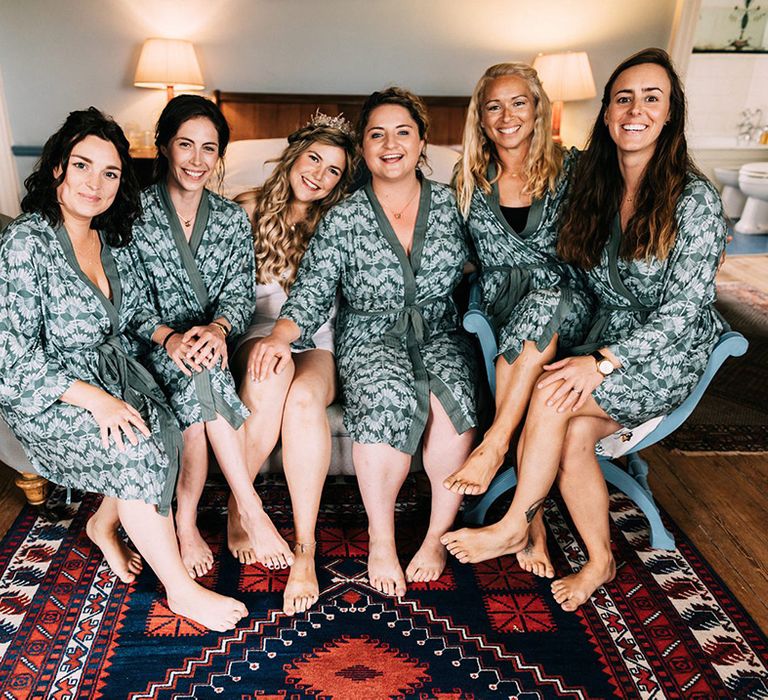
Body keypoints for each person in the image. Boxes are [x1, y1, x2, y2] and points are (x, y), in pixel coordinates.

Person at [442, 48, 727, 611]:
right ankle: (600, 559)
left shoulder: (694, 200)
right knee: (572, 433)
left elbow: (685, 310)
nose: (635, 110)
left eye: (651, 98)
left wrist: (601, 361)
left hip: (662, 354)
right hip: (600, 335)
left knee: (553, 393)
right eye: (623, 98)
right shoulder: (597, 186)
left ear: (670, 114)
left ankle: (514, 520)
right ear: (606, 113)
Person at [0, 108, 247, 631]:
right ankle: (181, 589)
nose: (95, 183)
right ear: (57, 169)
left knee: (175, 411)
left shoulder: (107, 235)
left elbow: (132, 313)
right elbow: (12, 359)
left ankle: (102, 524)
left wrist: (174, 339)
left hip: (115, 372)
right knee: (136, 450)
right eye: (83, 166)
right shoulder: (26, 242)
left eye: (110, 173)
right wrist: (99, 401)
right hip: (51, 394)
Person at [251, 88, 478, 597]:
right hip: (370, 332)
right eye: (377, 134)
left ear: (423, 142)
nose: (390, 143)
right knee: (383, 397)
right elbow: (311, 289)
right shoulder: (344, 215)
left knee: (455, 401)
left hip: (441, 328)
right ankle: (382, 538)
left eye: (403, 132)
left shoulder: (455, 202)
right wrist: (282, 336)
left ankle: (436, 537)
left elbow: (492, 256)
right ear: (364, 148)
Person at [131, 95, 293, 577]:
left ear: (220, 155)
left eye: (209, 148)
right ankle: (251, 509)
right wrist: (168, 338)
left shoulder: (228, 218)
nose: (197, 160)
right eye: (186, 145)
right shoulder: (132, 214)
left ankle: (186, 523)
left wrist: (220, 330)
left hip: (208, 344)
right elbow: (125, 299)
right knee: (201, 376)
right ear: (164, 146)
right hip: (151, 344)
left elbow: (239, 296)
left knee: (203, 377)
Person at [443, 62, 593, 578]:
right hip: (505, 307)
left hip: (569, 304)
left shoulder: (574, 169)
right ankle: (532, 525)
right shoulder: (467, 179)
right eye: (493, 106)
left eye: (518, 103)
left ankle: (494, 444)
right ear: (480, 119)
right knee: (518, 334)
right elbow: (449, 251)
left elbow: (624, 214)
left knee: (546, 297)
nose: (507, 116)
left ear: (537, 110)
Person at [230, 114, 356, 615]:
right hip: (257, 333)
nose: (319, 176)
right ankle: (246, 506)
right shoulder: (243, 209)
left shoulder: (339, 223)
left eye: (333, 171)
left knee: (304, 399)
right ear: (294, 155)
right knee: (274, 372)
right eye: (314, 160)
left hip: (317, 340)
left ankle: (305, 548)